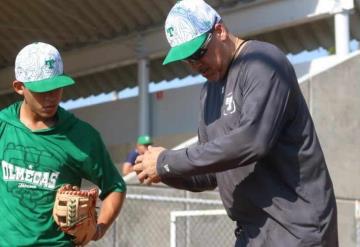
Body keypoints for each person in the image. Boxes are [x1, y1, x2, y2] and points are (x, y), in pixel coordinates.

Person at [133, 0, 338, 246]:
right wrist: (161, 170)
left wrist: (168, 161)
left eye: (198, 52)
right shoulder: (208, 92)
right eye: (187, 59)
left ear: (219, 30)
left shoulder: (262, 62)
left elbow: (252, 141)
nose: (196, 64)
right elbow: (210, 173)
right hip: (252, 233)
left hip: (298, 231)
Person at [0, 42, 126, 246]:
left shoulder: (82, 136)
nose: (51, 97)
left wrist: (99, 228)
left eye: (57, 87)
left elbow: (115, 187)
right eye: (42, 90)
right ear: (19, 87)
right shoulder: (3, 126)